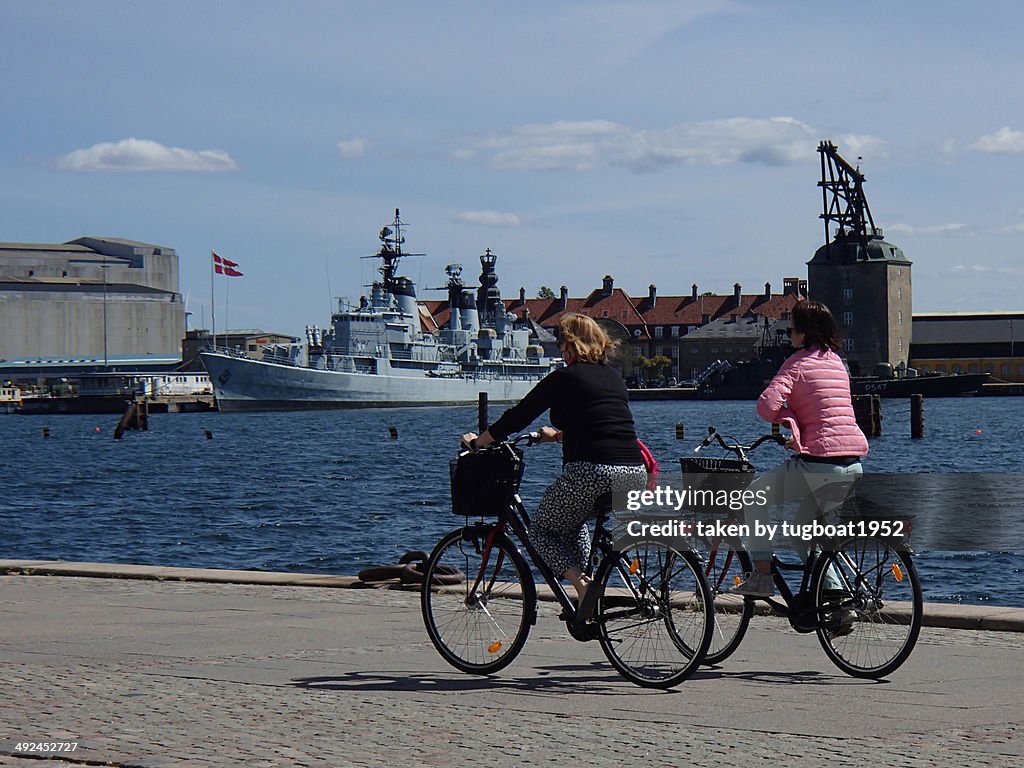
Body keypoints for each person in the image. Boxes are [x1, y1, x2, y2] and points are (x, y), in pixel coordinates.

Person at [461, 313, 648, 623]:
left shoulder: (565, 377)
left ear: (570, 346)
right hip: (634, 473)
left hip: (593, 473)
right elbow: (600, 422)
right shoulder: (613, 376)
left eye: (561, 343)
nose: (560, 350)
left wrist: (480, 441)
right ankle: (588, 595)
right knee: (575, 521)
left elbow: (519, 416)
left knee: (541, 531)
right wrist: (559, 435)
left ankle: (584, 586)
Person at [731, 300, 869, 597]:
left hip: (819, 463)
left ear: (804, 332)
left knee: (753, 497)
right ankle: (836, 598)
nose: (789, 333)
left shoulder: (797, 363)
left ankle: (762, 576)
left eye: (792, 327)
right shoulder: (837, 362)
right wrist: (800, 427)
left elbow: (766, 406)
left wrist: (788, 419)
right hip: (852, 464)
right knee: (803, 533)